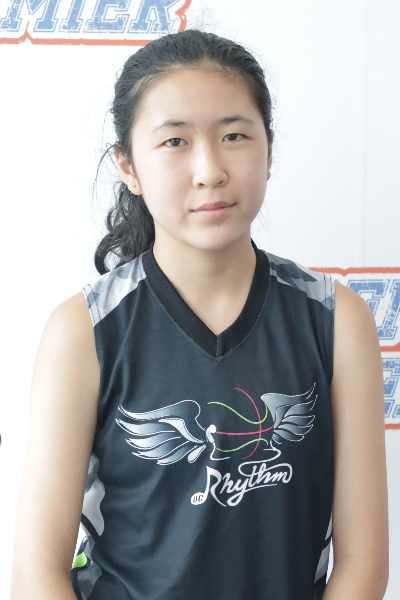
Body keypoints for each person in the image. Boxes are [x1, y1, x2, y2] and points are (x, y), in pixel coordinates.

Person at [11, 30, 388, 600]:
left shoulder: (336, 321)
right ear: (128, 166)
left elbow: (363, 566)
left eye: (234, 135)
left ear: (269, 149)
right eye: (175, 141)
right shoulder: (84, 331)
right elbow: (35, 576)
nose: (209, 169)